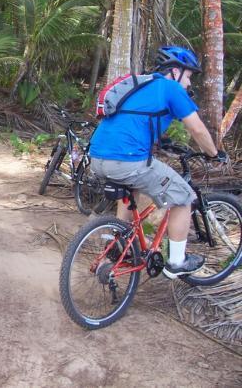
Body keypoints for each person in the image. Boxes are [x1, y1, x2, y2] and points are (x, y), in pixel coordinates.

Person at [89, 46, 227, 278]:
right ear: (175, 71)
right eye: (189, 76)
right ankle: (177, 262)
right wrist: (214, 153)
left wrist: (164, 140)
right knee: (184, 197)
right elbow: (197, 128)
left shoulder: (141, 84)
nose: (189, 84)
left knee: (132, 189)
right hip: (127, 160)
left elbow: (136, 119)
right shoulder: (171, 88)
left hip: (97, 157)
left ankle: (118, 241)